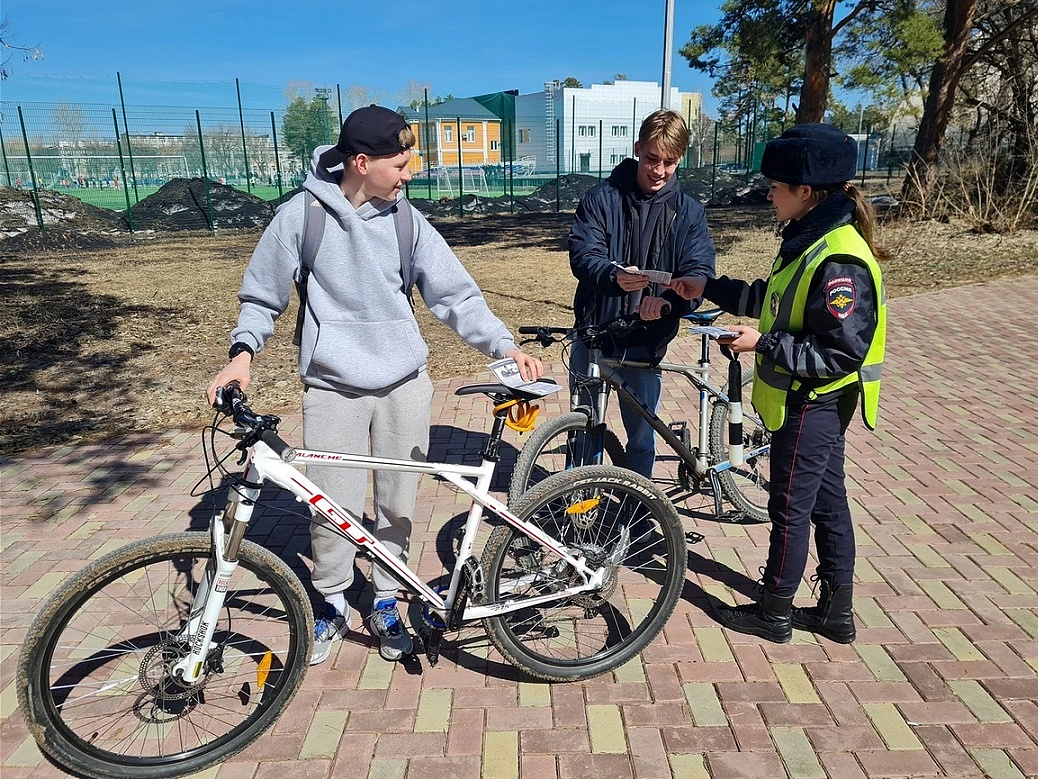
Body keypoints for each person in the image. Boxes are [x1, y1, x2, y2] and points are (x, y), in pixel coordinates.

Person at [206, 105, 542, 665]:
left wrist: (503, 346)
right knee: (330, 502)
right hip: (333, 385)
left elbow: (455, 295)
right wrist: (242, 357)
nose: (409, 172)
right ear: (361, 162)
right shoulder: (301, 217)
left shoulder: (408, 221)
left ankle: (386, 598)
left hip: (404, 384)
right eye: (400, 162)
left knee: (397, 500)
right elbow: (263, 295)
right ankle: (333, 602)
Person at [667, 123, 887, 644]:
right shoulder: (809, 241)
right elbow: (777, 301)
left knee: (789, 505)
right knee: (828, 502)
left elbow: (839, 352)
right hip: (809, 401)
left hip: (813, 401)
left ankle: (774, 610)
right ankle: (836, 612)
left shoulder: (839, 259)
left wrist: (759, 344)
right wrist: (710, 287)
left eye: (777, 186)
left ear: (806, 193)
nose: (768, 194)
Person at [568, 108, 716, 478]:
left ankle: (638, 515)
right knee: (583, 432)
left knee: (640, 439)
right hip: (595, 335)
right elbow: (584, 255)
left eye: (670, 162)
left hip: (645, 341)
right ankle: (574, 508)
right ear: (637, 149)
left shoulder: (690, 212)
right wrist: (613, 275)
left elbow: (698, 273)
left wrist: (667, 304)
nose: (659, 170)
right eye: (651, 159)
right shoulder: (601, 199)